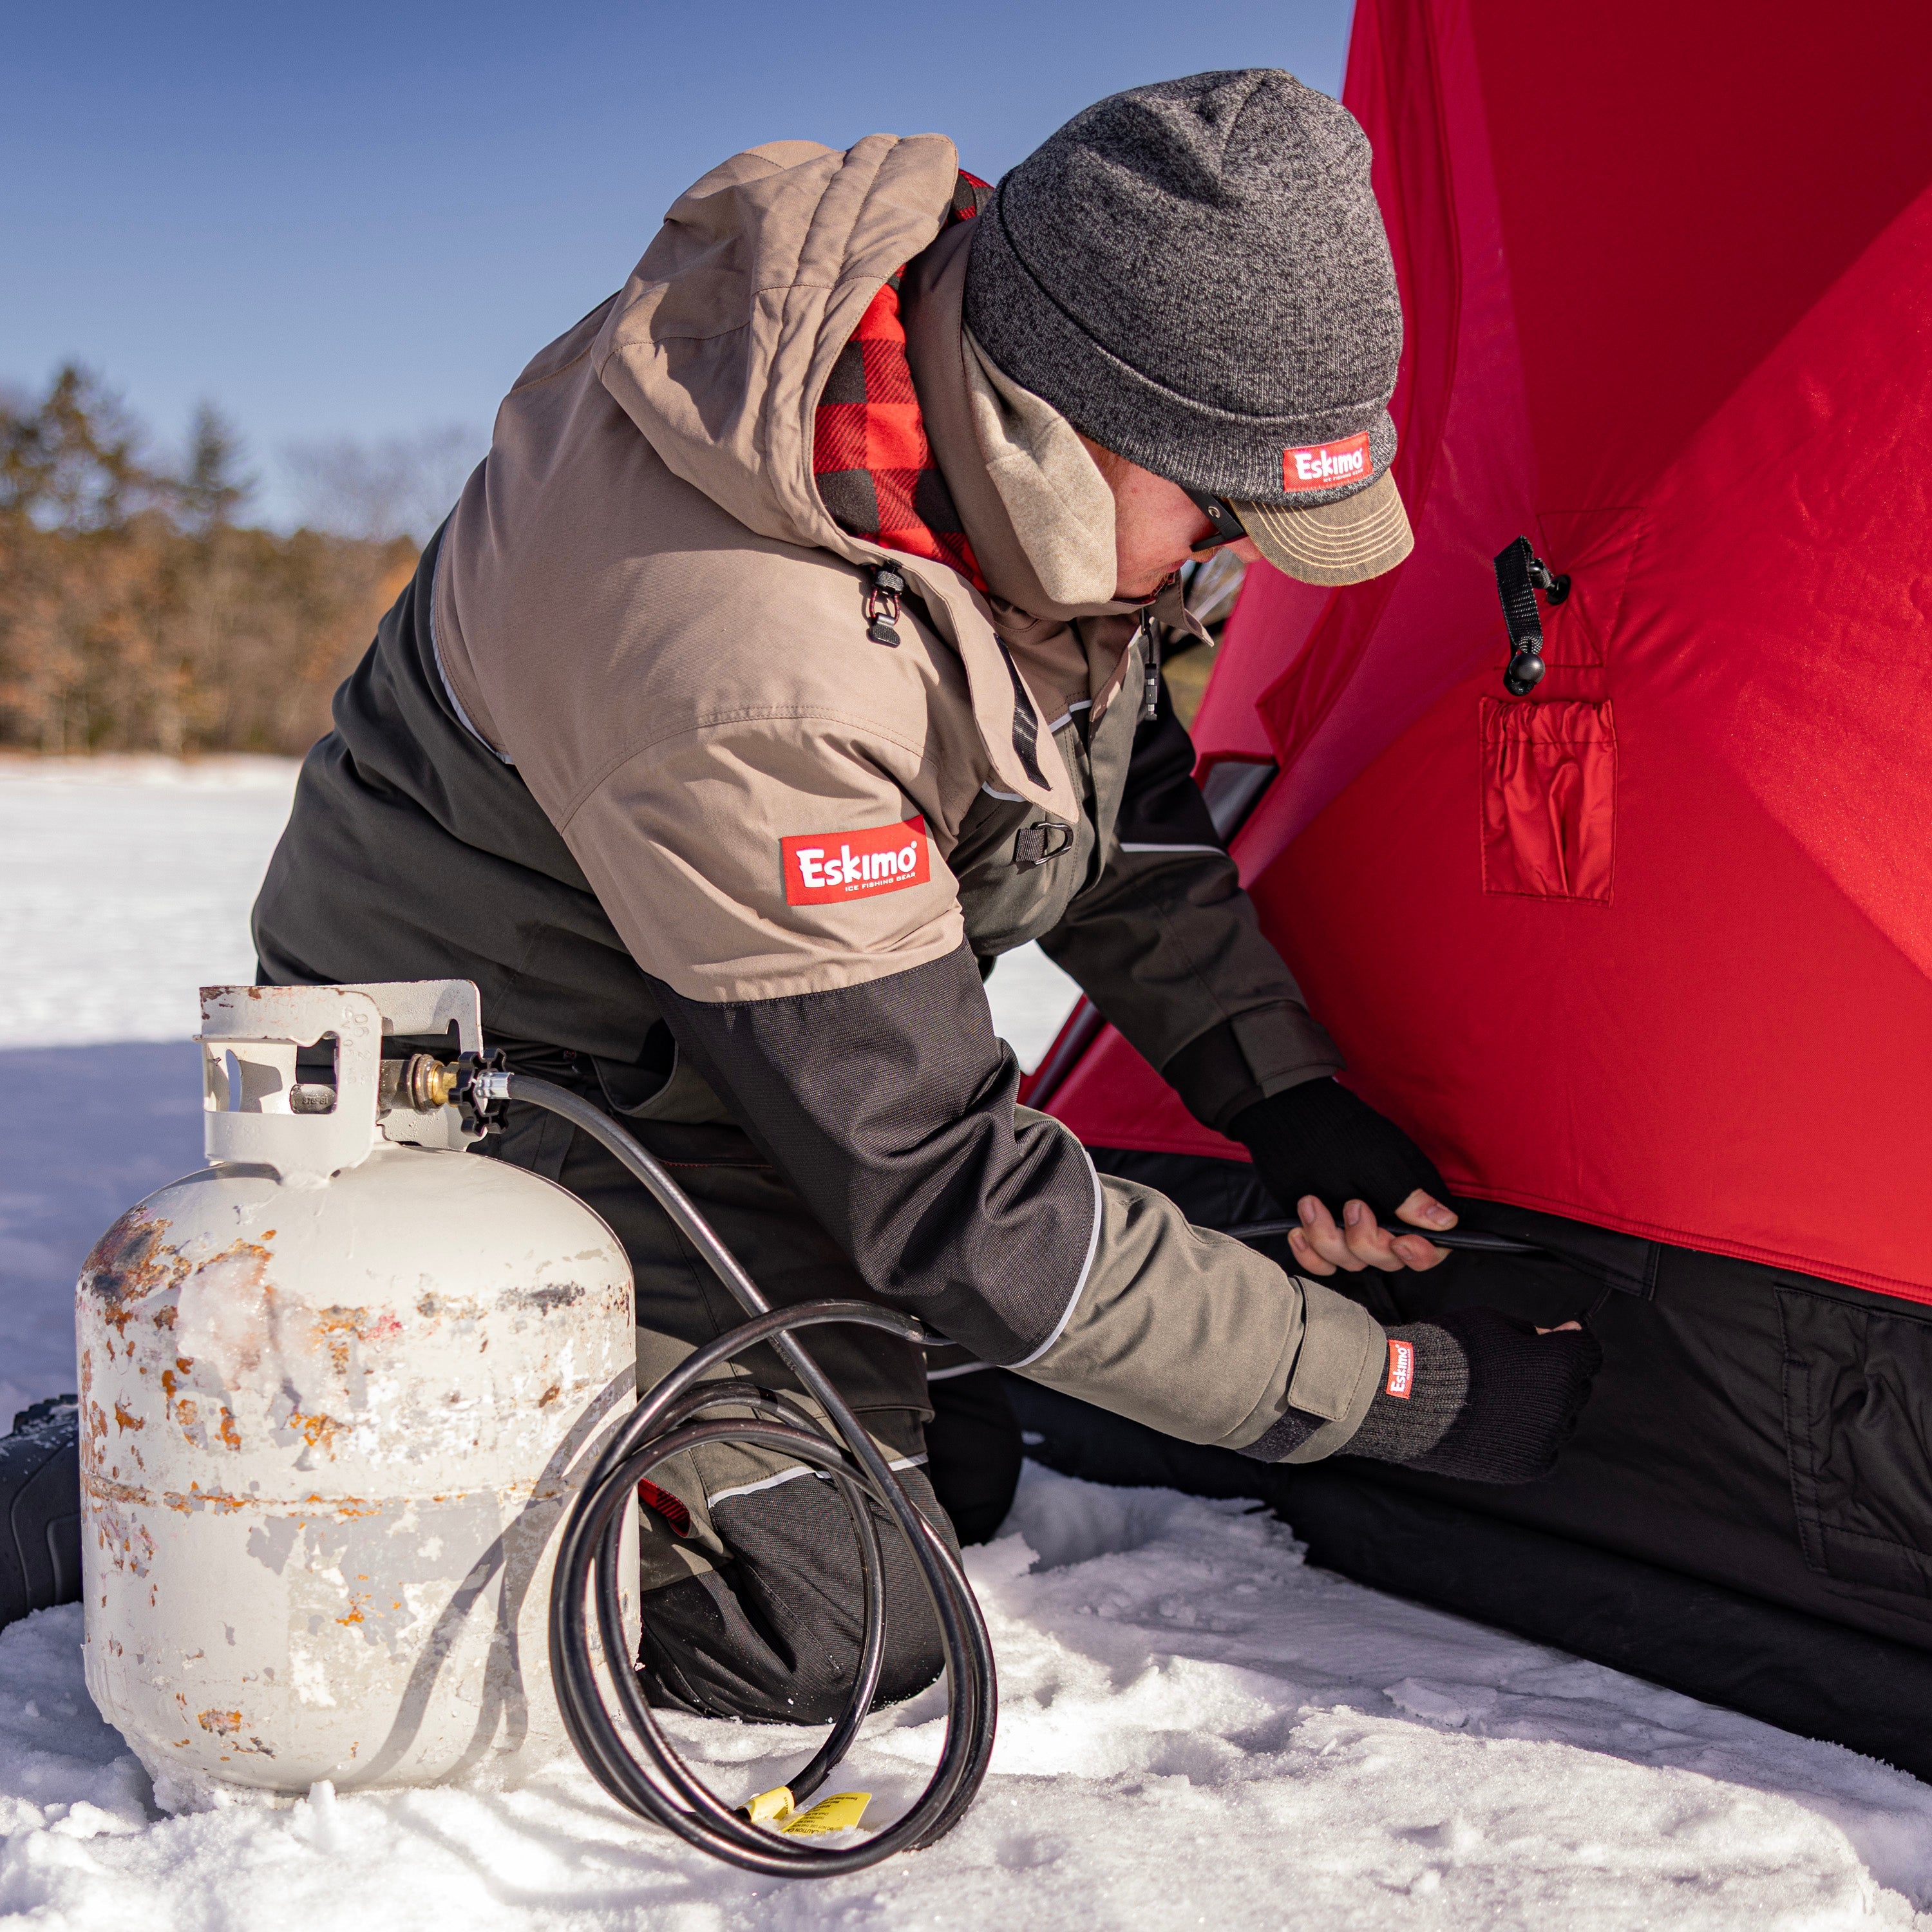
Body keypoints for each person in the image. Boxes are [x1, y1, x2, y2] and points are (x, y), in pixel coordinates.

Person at [244, 71, 1601, 1718]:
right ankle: (271, 1439)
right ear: (1061, 431)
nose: (1216, 577)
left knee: (959, 1454)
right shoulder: (750, 661)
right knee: (834, 1621)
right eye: (1216, 518)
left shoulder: (980, 407)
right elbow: (946, 1195)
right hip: (522, 1089)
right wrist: (1391, 1391)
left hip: (738, 1031)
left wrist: (1288, 1097)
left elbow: (1111, 805)